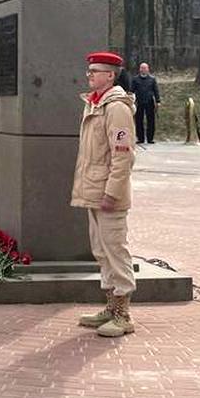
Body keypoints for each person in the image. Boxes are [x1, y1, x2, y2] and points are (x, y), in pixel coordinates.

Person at [72, 51, 137, 338]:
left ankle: (124, 315)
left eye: (94, 71)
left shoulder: (116, 107)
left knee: (115, 249)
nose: (89, 75)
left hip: (108, 193)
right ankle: (111, 307)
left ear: (110, 75)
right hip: (94, 190)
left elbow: (122, 156)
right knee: (101, 250)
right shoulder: (95, 104)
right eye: (89, 71)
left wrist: (112, 192)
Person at [123, 63, 160, 144]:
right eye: (142, 68)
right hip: (139, 102)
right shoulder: (135, 79)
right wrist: (129, 99)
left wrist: (158, 101)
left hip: (149, 102)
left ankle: (150, 139)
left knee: (151, 121)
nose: (143, 69)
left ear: (148, 69)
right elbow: (131, 91)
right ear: (140, 69)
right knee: (139, 120)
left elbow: (156, 91)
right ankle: (140, 138)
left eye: (145, 68)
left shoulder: (152, 79)